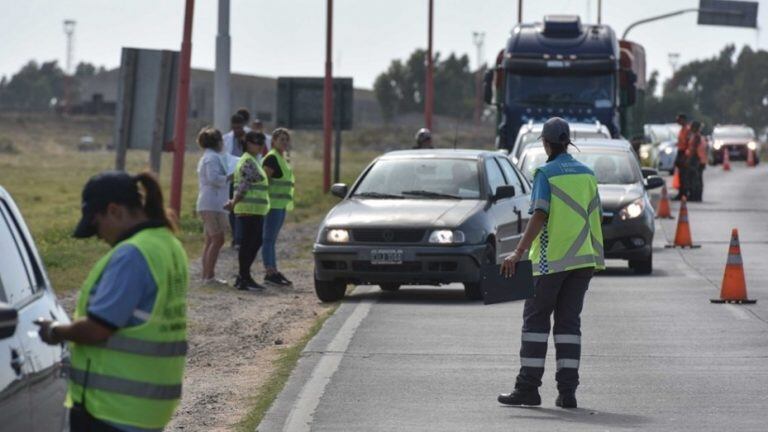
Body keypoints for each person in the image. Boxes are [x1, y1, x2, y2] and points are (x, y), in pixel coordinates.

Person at [35, 171, 188, 431]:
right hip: (147, 407)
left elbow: (98, 328)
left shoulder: (132, 255)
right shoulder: (168, 244)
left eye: (96, 225)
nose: (98, 236)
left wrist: (54, 330)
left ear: (114, 210)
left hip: (111, 410)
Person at [498, 117, 604, 409]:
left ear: (545, 143)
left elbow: (539, 215)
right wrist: (596, 259)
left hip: (550, 263)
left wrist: (517, 252)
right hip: (583, 262)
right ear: (567, 142)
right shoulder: (587, 174)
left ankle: (528, 388)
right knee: (569, 326)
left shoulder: (545, 173)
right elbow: (595, 217)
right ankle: (568, 393)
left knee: (535, 323)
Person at [225, 131, 270, 291]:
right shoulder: (248, 161)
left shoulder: (253, 160)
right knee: (250, 243)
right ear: (248, 143)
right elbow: (244, 185)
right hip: (248, 209)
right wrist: (233, 202)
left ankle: (244, 276)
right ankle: (244, 277)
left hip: (254, 210)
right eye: (257, 143)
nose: (260, 146)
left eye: (261, 143)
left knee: (252, 242)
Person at [196, 126, 230, 284]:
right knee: (218, 239)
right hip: (211, 202)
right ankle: (208, 276)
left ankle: (207, 274)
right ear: (217, 142)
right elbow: (213, 178)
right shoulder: (212, 158)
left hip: (211, 202)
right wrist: (230, 176)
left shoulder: (210, 156)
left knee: (211, 240)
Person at [261, 128, 295, 286]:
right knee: (268, 239)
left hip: (280, 205)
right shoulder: (271, 158)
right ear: (273, 141)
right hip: (271, 206)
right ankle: (270, 271)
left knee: (272, 240)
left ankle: (273, 270)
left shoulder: (283, 158)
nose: (284, 142)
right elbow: (263, 182)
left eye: (286, 139)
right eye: (281, 139)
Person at [223, 113, 247, 248]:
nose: (237, 130)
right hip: (232, 178)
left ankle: (241, 237)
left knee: (242, 208)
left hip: (245, 178)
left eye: (239, 128)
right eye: (235, 128)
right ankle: (236, 237)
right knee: (233, 208)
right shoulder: (226, 139)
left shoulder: (249, 138)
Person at [686, 121, 706, 202]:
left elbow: (693, 149)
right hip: (699, 159)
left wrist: (688, 159)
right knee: (696, 178)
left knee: (695, 179)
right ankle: (696, 195)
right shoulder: (696, 136)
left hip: (696, 159)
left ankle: (695, 196)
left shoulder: (696, 136)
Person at [672, 113, 690, 201]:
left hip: (684, 153)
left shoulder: (687, 130)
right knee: (680, 175)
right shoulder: (682, 130)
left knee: (684, 175)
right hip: (680, 152)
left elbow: (688, 143)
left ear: (683, 120)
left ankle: (684, 193)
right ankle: (681, 193)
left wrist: (685, 156)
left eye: (679, 120)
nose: (677, 122)